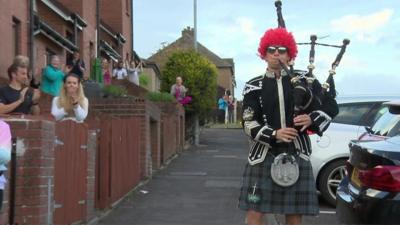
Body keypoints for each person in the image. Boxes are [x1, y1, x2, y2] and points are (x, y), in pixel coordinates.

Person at [238, 27, 338, 225]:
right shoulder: (253, 86)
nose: (276, 53)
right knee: (254, 213)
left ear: (290, 54)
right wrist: (274, 134)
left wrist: (312, 118)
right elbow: (248, 122)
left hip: (297, 152)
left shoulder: (305, 81)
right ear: (264, 54)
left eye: (282, 49)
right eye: (271, 49)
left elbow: (331, 105)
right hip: (263, 156)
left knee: (293, 215)